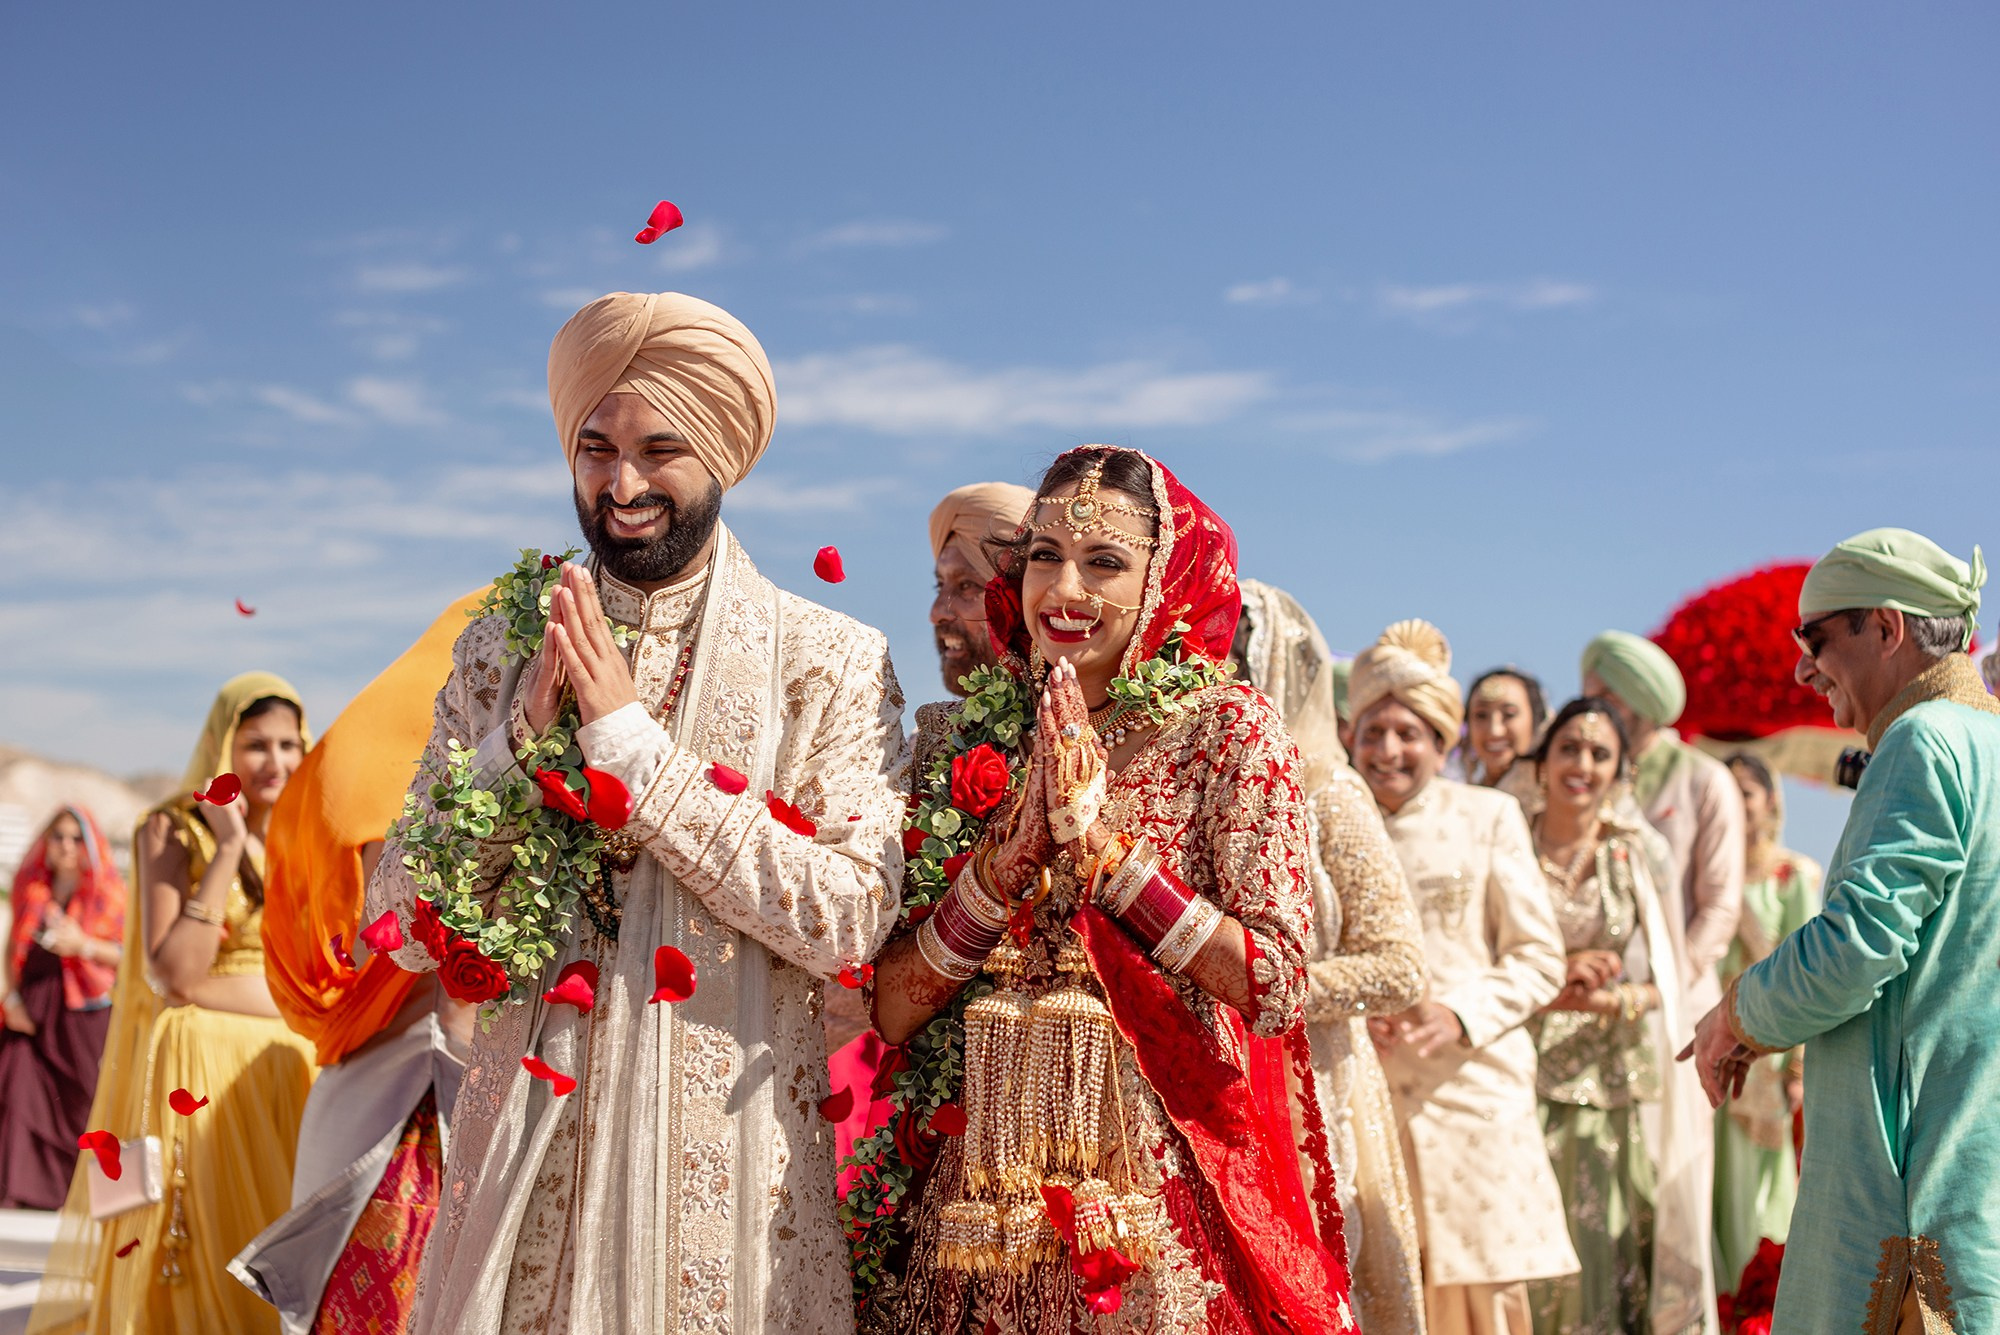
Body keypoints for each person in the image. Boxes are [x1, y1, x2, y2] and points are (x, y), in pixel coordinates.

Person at [364, 291, 908, 1335]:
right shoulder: (499, 651)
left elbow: (848, 914)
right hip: (524, 1198)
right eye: (594, 447)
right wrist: (511, 758)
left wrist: (633, 755)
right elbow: (400, 924)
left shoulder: (826, 662)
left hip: (730, 1211)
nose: (622, 484)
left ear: (722, 455)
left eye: (661, 450)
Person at [861, 447, 1356, 1333]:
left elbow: (1278, 984)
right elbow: (892, 1010)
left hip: (1159, 1174)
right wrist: (999, 868)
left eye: (1105, 562)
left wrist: (1108, 859)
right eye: (1044, 556)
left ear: (1161, 578)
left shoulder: (1224, 730)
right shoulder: (959, 736)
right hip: (980, 1183)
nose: (1064, 589)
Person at [1684, 528, 1998, 1332]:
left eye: (1815, 638)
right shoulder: (1987, 741)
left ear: (1887, 630)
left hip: (1914, 1174)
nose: (1802, 667)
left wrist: (1737, 1013)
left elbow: (1859, 945)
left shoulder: (1924, 739)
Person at [231, 592, 487, 1335]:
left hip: (349, 1094)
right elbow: (441, 978)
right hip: (416, 1105)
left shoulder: (349, 767)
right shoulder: (417, 793)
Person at [30, 673, 317, 1335]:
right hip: (204, 1067)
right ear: (222, 747)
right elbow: (177, 974)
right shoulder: (171, 828)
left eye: (288, 743)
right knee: (209, 1262)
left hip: (289, 1065)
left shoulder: (306, 831)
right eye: (255, 744)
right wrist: (224, 849)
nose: (274, 761)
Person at [1348, 620, 1577, 1335]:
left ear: (1443, 744)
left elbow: (1540, 956)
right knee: (1377, 1292)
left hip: (1473, 1095)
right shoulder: (1328, 826)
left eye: (1409, 733)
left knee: (1488, 1308)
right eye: (1373, 732)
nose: (1389, 751)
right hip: (1365, 1100)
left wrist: (1460, 1012)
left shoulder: (1489, 817)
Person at [1237, 577, 1428, 1334]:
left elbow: (1401, 964)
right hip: (1212, 1076)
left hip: (1315, 1085)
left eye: (1237, 661)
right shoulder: (1196, 785)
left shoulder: (1328, 793)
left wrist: (1262, 981)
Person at [1520, 699, 1714, 1335]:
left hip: (1607, 1081)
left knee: (1601, 1241)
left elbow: (1672, 980)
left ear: (1620, 773)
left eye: (1601, 754)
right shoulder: (1504, 835)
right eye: (1569, 748)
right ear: (1541, 762)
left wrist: (1609, 998)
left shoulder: (1636, 854)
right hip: (1514, 1065)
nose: (1583, 764)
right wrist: (1556, 979)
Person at [1580, 631, 1744, 1017]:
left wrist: (1667, 983)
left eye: (1607, 700)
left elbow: (1720, 904)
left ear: (1640, 701)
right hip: (1594, 999)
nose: (1595, 716)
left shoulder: (1703, 779)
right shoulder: (1587, 779)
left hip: (1677, 1003)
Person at [1710, 754, 1819, 1289]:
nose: (1735, 802)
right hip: (1710, 1051)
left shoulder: (1791, 875)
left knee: (1762, 1192)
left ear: (1770, 801)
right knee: (1714, 1186)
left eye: (1746, 792)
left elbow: (1809, 970)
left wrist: (1796, 1069)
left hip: (1768, 1058)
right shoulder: (1705, 875)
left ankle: (1761, 1306)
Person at [0, 807, 125, 1211]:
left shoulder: (108, 893)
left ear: (90, 844)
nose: (67, 846)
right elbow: (11, 949)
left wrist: (81, 945)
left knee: (81, 1104)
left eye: (76, 838)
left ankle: (77, 1197)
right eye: (58, 837)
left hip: (83, 1014)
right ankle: (19, 1194)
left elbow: (128, 957)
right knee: (16, 1093)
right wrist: (12, 998)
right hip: (31, 1011)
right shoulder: (32, 888)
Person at [929, 481, 1037, 697]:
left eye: (966, 586)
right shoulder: (930, 731)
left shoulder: (1103, 729)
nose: (936, 613)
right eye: (940, 585)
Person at [1460, 668, 1546, 789]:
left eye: (1509, 714)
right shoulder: (1461, 796)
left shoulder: (1555, 795)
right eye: (1481, 715)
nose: (1495, 731)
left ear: (1536, 720)